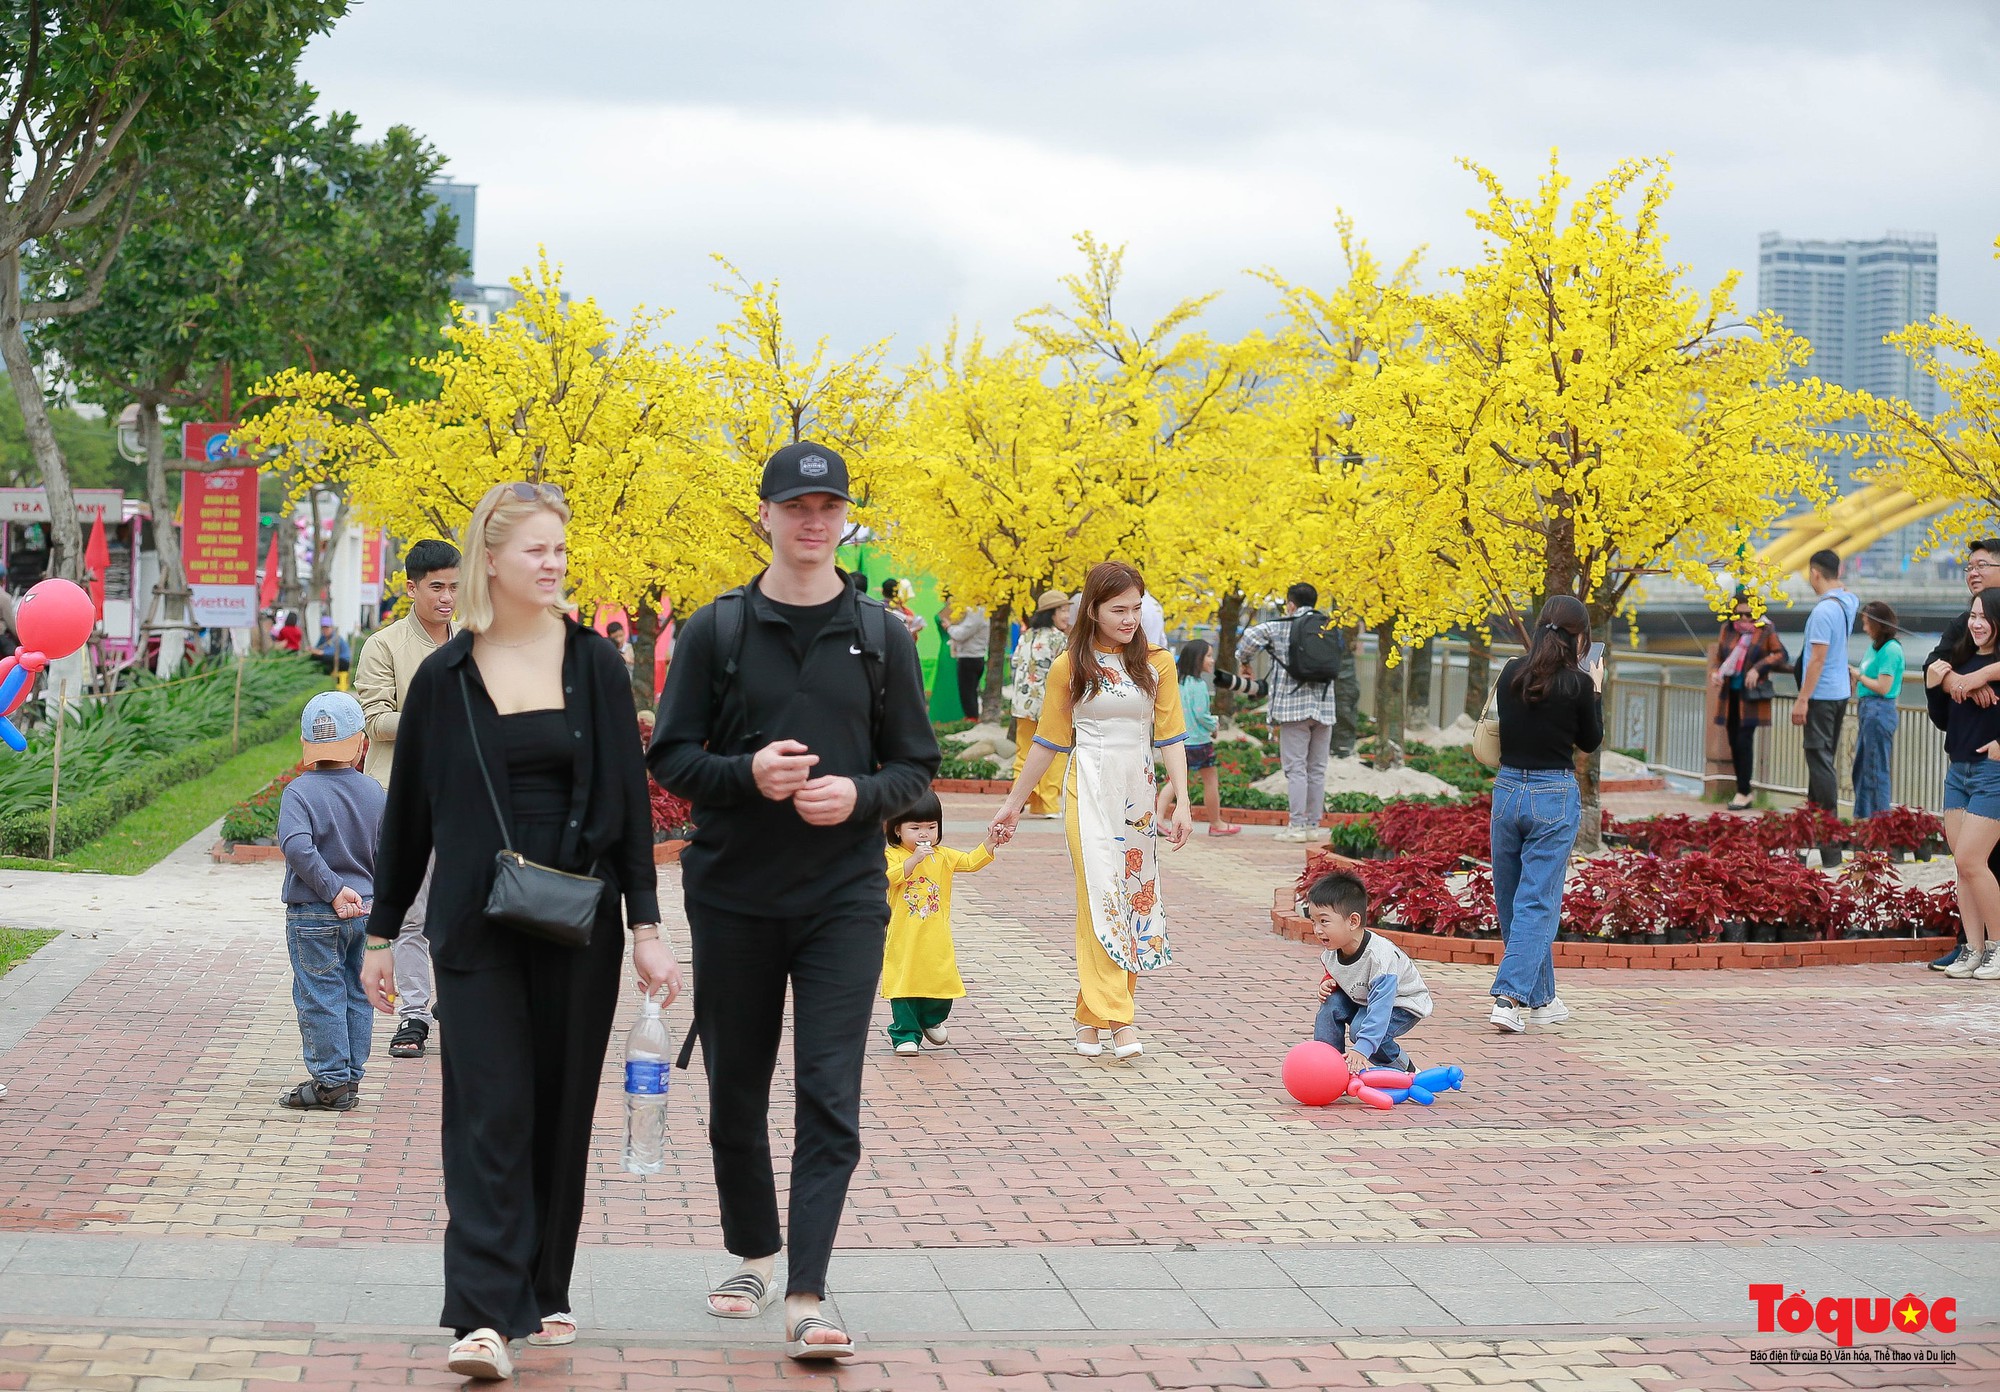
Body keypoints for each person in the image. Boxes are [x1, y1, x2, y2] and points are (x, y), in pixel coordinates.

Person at [360, 483, 675, 1382]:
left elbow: (627, 810)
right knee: (490, 1109)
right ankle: (483, 1313)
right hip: (473, 922)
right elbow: (406, 822)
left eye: (561, 551)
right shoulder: (443, 677)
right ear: (489, 560)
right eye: (536, 549)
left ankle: (542, 1283)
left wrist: (647, 927)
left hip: (579, 917)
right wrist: (382, 936)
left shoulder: (598, 667)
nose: (553, 564)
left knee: (559, 1109)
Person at [650, 442, 938, 1362]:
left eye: (830, 506)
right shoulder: (717, 629)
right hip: (733, 896)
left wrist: (860, 796)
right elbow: (670, 757)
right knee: (736, 1094)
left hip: (844, 900)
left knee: (829, 1093)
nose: (814, 521)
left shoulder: (883, 634)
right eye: (797, 506)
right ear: (765, 516)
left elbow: (916, 769)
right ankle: (752, 1249)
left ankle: (807, 1290)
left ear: (844, 518)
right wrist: (747, 775)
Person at [989, 561, 1193, 1060]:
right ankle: (1120, 1020)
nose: (1130, 619)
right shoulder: (1069, 666)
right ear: (1093, 610)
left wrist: (1182, 801)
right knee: (1098, 894)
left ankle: (1089, 1017)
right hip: (1090, 786)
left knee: (1132, 898)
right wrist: (1013, 805)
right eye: (1118, 609)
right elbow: (1048, 742)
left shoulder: (1158, 663)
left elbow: (1170, 736)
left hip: (1138, 794)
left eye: (1136, 609)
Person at [353, 538, 461, 1061]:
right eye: (437, 587)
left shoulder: (478, 638)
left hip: (469, 798)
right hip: (405, 796)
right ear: (411, 586)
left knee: (466, 910)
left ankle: (460, 1003)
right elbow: (375, 722)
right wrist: (439, 712)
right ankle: (414, 1015)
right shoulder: (385, 646)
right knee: (413, 914)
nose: (447, 597)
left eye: (455, 587)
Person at [1489, 595, 1602, 1035]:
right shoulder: (1577, 684)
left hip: (1507, 790)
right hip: (1553, 792)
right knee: (1537, 901)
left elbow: (1513, 726)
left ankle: (1542, 999)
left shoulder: (1510, 671)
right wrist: (1594, 690)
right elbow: (1590, 742)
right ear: (1580, 638)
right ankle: (1509, 996)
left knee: (1513, 899)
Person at [277, 692, 384, 1112]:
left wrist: (332, 889)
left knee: (319, 993)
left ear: (306, 746)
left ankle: (330, 1082)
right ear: (361, 745)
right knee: (358, 992)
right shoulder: (374, 791)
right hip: (367, 911)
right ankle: (351, 1074)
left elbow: (297, 847)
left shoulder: (299, 793)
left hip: (315, 913)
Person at [1922, 538, 2000, 969]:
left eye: (1983, 565)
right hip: (1961, 767)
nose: (1973, 572)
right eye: (1969, 566)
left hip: (1993, 771)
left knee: (1973, 859)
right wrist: (1956, 679)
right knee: (1966, 863)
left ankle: (1996, 948)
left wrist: (1982, 674)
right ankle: (1974, 947)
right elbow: (1935, 667)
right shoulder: (1962, 639)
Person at [882, 791, 995, 1054]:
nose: (924, 834)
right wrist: (912, 861)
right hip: (903, 937)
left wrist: (990, 842)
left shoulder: (942, 855)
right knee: (905, 983)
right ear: (897, 830)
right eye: (916, 828)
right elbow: (886, 878)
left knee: (941, 979)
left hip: (936, 936)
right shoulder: (893, 856)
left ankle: (930, 1019)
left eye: (931, 827)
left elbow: (969, 862)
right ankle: (905, 1034)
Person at [1236, 583, 1341, 843]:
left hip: (1292, 708)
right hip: (1325, 707)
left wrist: (1245, 661)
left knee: (1296, 769)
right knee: (1317, 769)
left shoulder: (1280, 625)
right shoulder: (1326, 626)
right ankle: (1313, 825)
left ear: (1291, 604)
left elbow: (1248, 638)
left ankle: (1295, 825)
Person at [1305, 872, 1432, 1073]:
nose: (1317, 929)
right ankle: (1330, 1065)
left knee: (1362, 1032)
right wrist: (1328, 982)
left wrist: (1362, 1049)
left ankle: (1406, 1071)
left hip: (1401, 1003)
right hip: (1365, 999)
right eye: (1313, 921)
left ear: (1353, 921)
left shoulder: (1380, 958)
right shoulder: (1332, 952)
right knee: (1332, 1003)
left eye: (1324, 921)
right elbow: (1342, 972)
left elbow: (1381, 1008)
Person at [1792, 550, 1858, 835]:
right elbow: (1848, 591)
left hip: (1821, 695)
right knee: (1823, 758)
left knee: (1818, 758)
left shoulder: (1822, 611)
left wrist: (1802, 699)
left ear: (1814, 573)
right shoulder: (1847, 602)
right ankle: (1814, 819)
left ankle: (1829, 827)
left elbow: (1817, 659)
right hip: (1840, 693)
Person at [1706, 594, 1788, 811]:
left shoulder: (1765, 630)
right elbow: (1719, 660)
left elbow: (1781, 655)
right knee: (1734, 742)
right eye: (1739, 613)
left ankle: (1744, 792)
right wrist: (1716, 672)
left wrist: (1757, 668)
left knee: (1744, 742)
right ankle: (1743, 790)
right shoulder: (1728, 629)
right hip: (1730, 696)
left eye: (1748, 614)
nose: (1743, 618)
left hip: (1750, 697)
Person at [1006, 590, 1071, 819]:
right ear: (1050, 613)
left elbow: (1015, 661)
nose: (1067, 615)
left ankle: (1022, 796)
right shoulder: (1059, 638)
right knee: (1054, 752)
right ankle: (1048, 805)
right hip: (1048, 705)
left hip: (1023, 704)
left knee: (1023, 752)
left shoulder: (1025, 636)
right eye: (1062, 610)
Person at [1175, 640, 1240, 837]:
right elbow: (1202, 714)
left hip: (1182, 740)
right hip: (1200, 742)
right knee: (1211, 780)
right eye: (1209, 656)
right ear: (1197, 659)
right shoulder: (1199, 685)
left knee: (1175, 781)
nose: (1212, 660)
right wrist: (1214, 725)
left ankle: (1159, 817)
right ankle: (1216, 823)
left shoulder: (1179, 683)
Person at [1849, 600, 1904, 822]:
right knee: (1862, 766)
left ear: (1877, 624)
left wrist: (1859, 676)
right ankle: (1862, 819)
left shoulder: (1891, 650)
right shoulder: (1875, 647)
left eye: (1866, 623)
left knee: (1875, 769)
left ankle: (1880, 824)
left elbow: (1884, 687)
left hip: (1879, 710)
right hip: (1867, 709)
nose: (1864, 628)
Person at [943, 601, 989, 721]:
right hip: (977, 656)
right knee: (971, 691)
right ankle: (973, 717)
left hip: (969, 657)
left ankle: (972, 719)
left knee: (967, 692)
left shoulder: (976, 612)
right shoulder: (985, 611)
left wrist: (949, 627)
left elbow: (961, 634)